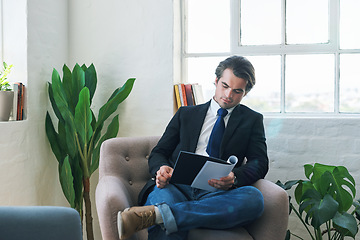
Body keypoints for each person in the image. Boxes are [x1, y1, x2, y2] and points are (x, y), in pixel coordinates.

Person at [117, 56, 269, 240]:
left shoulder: (252, 120)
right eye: (225, 86)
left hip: (217, 194)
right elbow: (159, 152)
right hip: (174, 186)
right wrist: (161, 169)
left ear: (245, 93)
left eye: (237, 91)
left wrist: (234, 178)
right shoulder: (186, 114)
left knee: (254, 199)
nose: (228, 95)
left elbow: (260, 162)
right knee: (169, 219)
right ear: (216, 81)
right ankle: (171, 215)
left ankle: (158, 215)